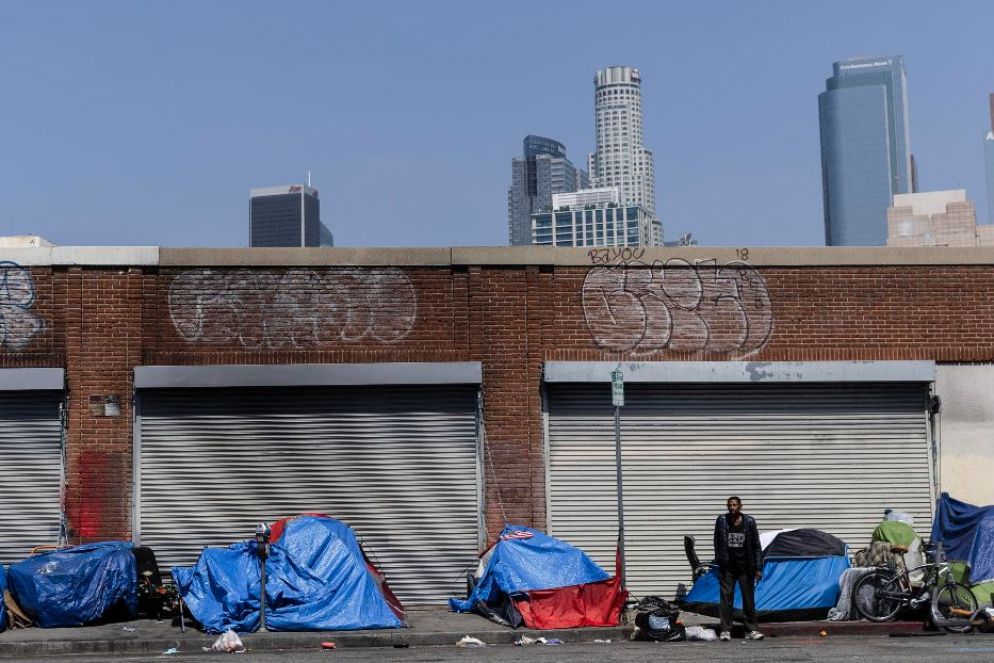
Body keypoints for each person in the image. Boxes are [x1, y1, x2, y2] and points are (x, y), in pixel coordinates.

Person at [713, 496, 764, 641]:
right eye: (729, 505)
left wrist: (758, 567)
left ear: (741, 506)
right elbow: (717, 542)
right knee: (726, 598)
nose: (732, 508)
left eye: (735, 505)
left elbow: (756, 546)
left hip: (746, 567)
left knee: (748, 599)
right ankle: (725, 630)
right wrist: (720, 560)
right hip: (728, 567)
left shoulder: (749, 521)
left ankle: (751, 630)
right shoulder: (722, 520)